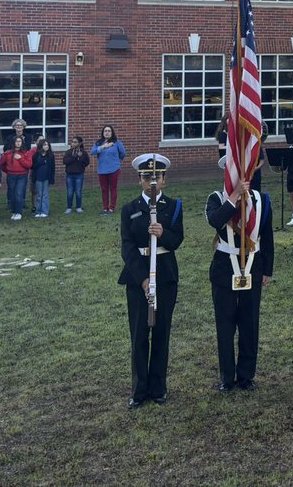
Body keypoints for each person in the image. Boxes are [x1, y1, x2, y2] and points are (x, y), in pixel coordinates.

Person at [119, 153, 184, 408]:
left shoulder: (173, 206)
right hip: (138, 278)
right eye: (147, 177)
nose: (152, 182)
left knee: (161, 332)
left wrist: (163, 233)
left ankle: (158, 387)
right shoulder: (130, 209)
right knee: (139, 334)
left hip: (166, 275)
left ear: (164, 180)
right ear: (140, 181)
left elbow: (178, 239)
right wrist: (144, 280)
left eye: (157, 177)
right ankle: (139, 389)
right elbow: (127, 247)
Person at [207, 156, 274, 391]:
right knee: (225, 326)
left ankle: (247, 376)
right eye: (234, 173)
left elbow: (267, 237)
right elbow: (215, 221)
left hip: (253, 267)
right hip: (225, 268)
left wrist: (267, 269)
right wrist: (234, 196)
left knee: (249, 324)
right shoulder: (216, 199)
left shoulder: (261, 199)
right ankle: (227, 377)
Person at [91, 125, 127, 214]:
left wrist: (118, 161)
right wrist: (103, 147)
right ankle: (105, 208)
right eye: (105, 131)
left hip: (114, 169)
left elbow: (123, 153)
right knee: (104, 189)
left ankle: (112, 208)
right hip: (102, 170)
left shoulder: (117, 142)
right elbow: (92, 152)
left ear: (112, 132)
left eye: (109, 131)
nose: (107, 132)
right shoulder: (99, 143)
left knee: (113, 188)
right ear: (103, 133)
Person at [0, 136, 33, 221]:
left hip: (22, 176)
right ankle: (14, 211)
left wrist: (20, 158)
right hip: (11, 175)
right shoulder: (7, 153)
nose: (18, 143)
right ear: (13, 142)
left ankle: (18, 212)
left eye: (20, 141)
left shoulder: (26, 153)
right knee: (12, 194)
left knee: (19, 193)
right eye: (17, 141)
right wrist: (8, 170)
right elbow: (2, 164)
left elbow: (29, 165)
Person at [62, 136, 90, 214]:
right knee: (70, 192)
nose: (73, 143)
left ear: (79, 143)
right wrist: (75, 156)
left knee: (78, 191)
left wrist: (81, 159)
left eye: (75, 142)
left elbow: (87, 162)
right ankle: (69, 207)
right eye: (72, 142)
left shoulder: (83, 152)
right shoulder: (69, 152)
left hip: (79, 174)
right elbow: (65, 161)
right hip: (69, 175)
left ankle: (78, 207)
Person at [31, 138, 56, 219]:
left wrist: (52, 178)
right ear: (41, 146)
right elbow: (33, 167)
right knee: (39, 195)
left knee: (45, 195)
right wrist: (40, 162)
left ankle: (45, 211)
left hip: (47, 178)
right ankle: (38, 211)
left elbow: (53, 168)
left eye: (47, 145)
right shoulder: (36, 156)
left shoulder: (51, 156)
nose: (46, 146)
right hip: (38, 177)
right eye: (45, 145)